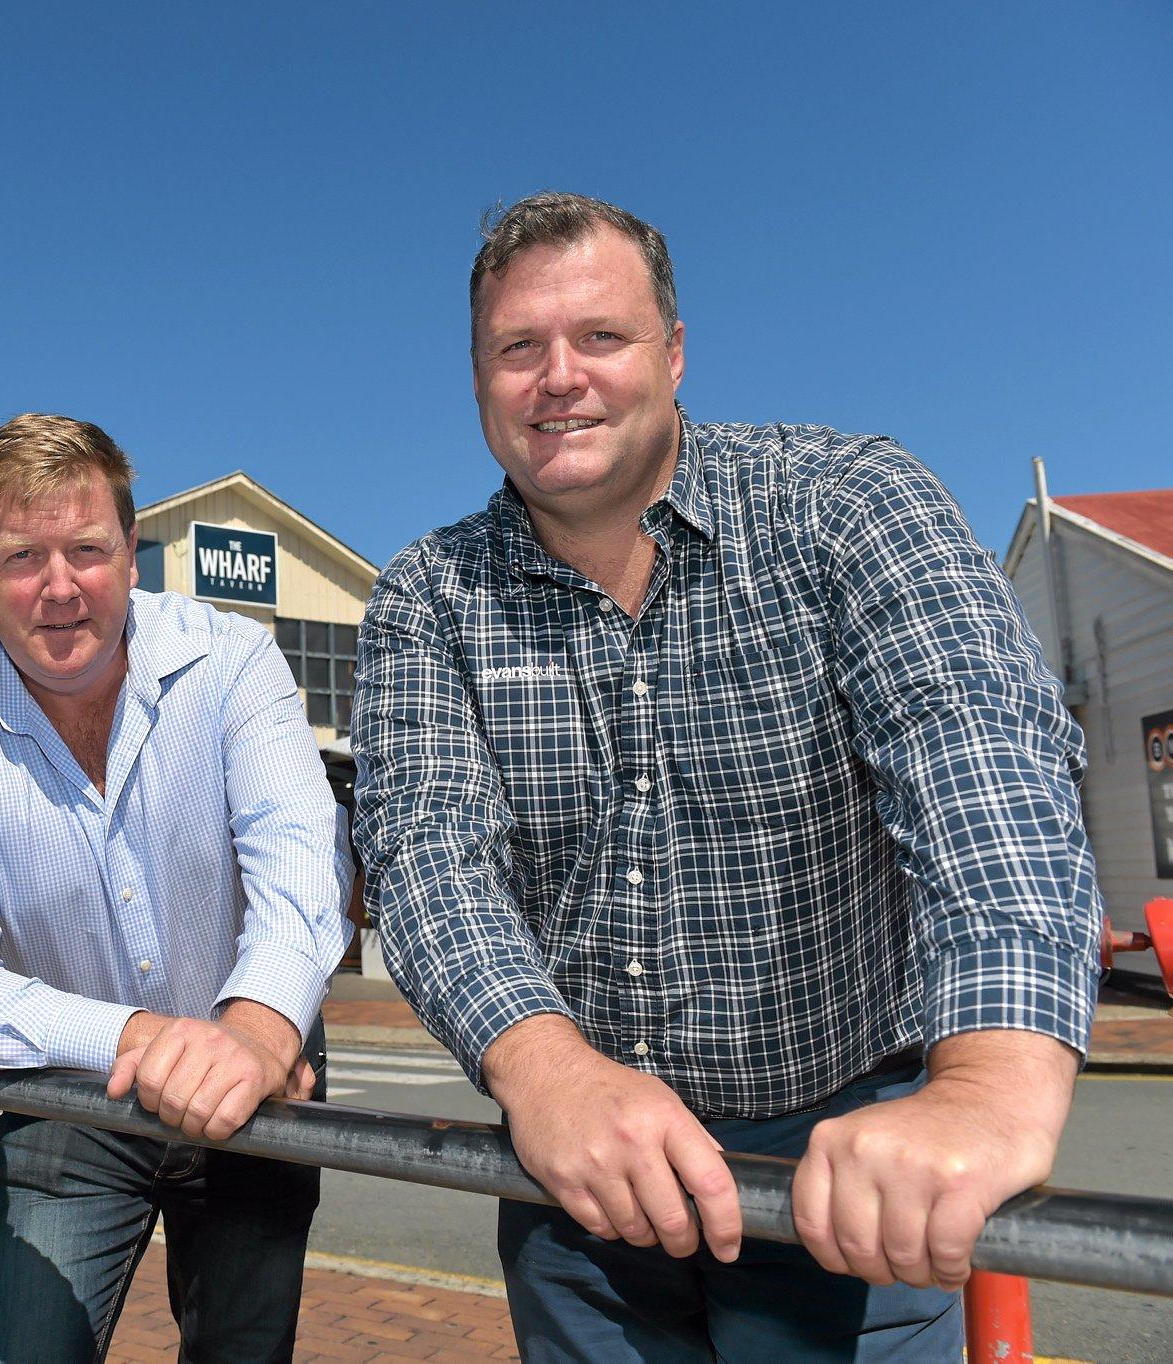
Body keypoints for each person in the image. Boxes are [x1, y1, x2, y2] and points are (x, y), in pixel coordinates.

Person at [351, 191, 1101, 1361]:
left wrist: (984, 1083)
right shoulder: (423, 595)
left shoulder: (848, 502)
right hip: (578, 1182)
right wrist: (544, 1071)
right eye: (516, 347)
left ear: (674, 351)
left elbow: (977, 756)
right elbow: (424, 850)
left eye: (599, 335)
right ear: (477, 375)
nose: (558, 376)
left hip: (844, 1170)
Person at [0, 412, 355, 1363]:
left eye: (87, 549)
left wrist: (259, 1032)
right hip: (74, 1097)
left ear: (131, 554)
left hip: (256, 1094)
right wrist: (141, 1038)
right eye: (21, 556)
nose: (59, 588)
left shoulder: (234, 663)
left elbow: (304, 859)